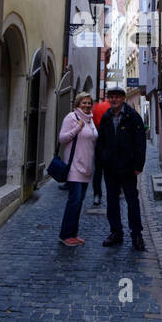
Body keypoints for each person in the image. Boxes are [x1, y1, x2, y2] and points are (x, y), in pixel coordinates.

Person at [95, 86, 147, 250]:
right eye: (111, 97)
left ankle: (136, 234)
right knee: (112, 201)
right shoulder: (106, 117)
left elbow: (140, 142)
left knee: (132, 201)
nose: (114, 100)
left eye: (117, 97)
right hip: (110, 168)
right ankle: (116, 232)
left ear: (123, 98)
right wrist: (102, 160)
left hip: (128, 167)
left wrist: (138, 165)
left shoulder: (132, 117)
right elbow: (100, 142)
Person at [55, 93, 98, 247]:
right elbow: (62, 138)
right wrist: (77, 128)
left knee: (79, 202)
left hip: (86, 167)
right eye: (84, 103)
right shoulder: (71, 117)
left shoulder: (90, 119)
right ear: (77, 104)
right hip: (74, 166)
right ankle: (65, 235)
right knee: (74, 201)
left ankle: (73, 233)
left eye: (89, 103)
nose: (87, 106)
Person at [90, 98, 110, 205]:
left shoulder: (97, 108)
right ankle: (116, 190)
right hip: (110, 145)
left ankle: (97, 194)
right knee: (112, 170)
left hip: (99, 143)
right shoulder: (112, 107)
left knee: (98, 171)